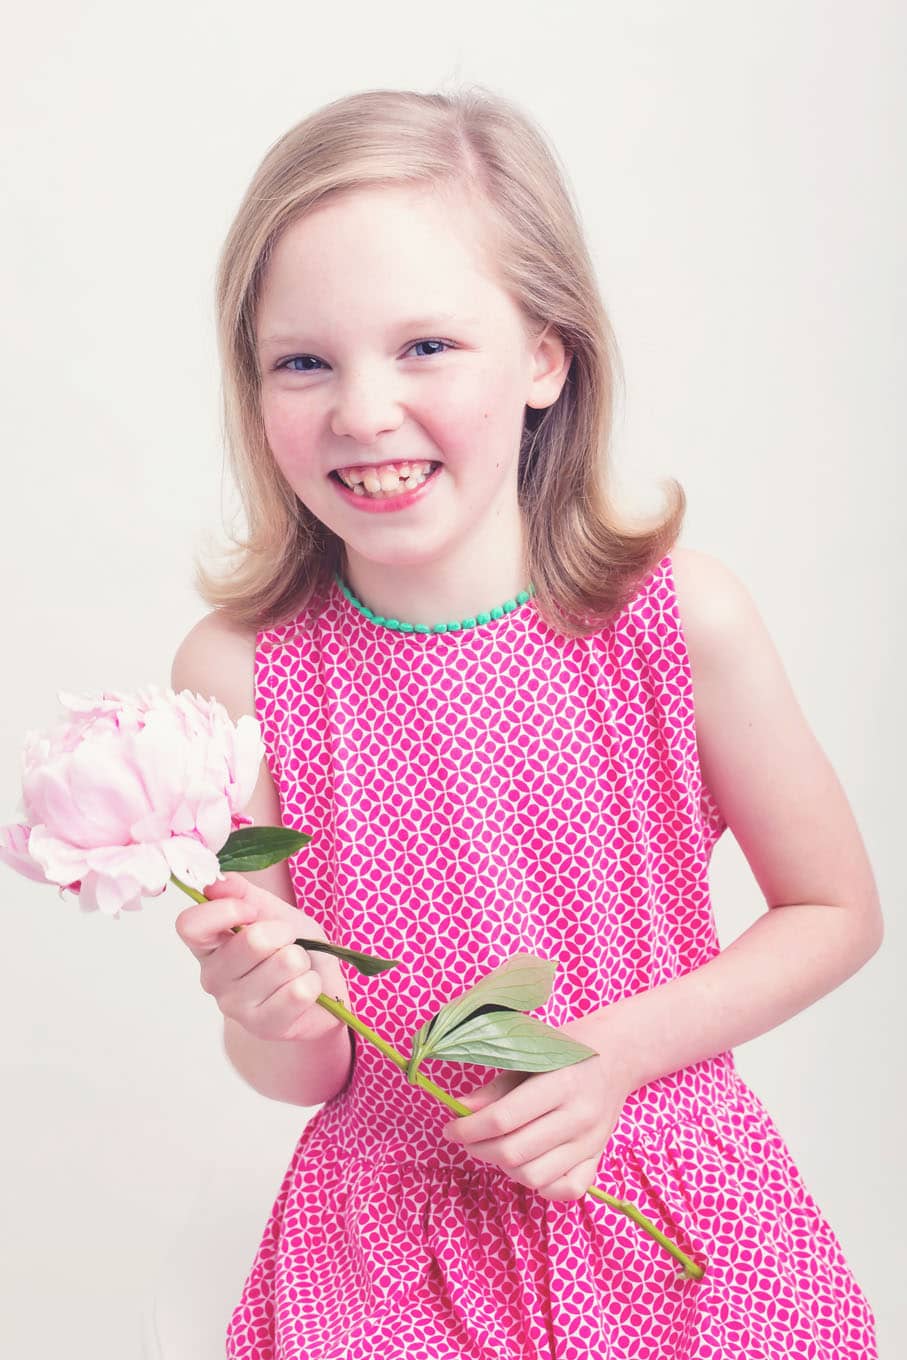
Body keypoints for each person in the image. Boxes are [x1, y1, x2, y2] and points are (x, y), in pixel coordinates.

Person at [170, 86, 883, 1360]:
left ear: (545, 353)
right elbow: (309, 1073)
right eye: (303, 360)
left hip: (662, 1217)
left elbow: (836, 911)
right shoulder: (239, 677)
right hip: (383, 1265)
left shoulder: (678, 621)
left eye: (426, 346)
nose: (362, 410)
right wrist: (263, 1011)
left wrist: (606, 1056)